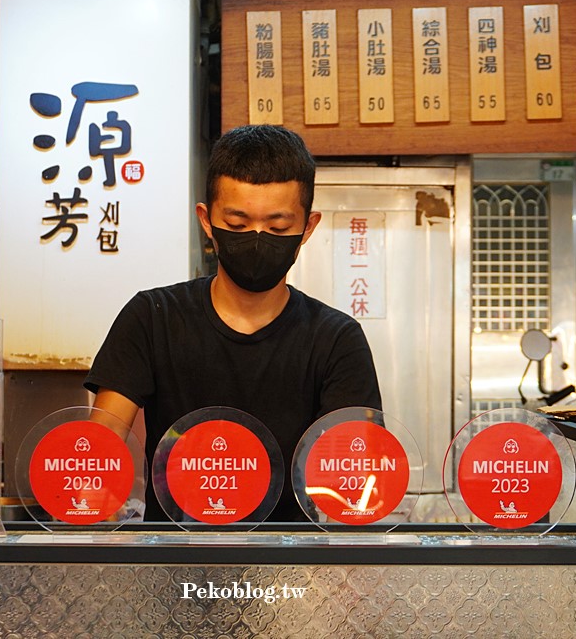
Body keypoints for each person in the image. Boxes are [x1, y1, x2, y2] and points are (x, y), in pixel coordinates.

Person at [85, 124, 382, 521]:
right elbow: (95, 453)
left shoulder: (336, 339)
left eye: (278, 228)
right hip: (172, 568)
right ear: (207, 221)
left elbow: (355, 481)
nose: (257, 239)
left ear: (307, 228)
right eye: (238, 225)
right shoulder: (152, 318)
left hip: (291, 572)